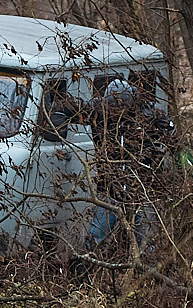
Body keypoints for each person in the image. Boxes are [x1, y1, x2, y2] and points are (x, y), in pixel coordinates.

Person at [58, 78, 174, 251]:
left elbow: (174, 136)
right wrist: (56, 110)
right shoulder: (99, 113)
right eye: (109, 107)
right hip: (109, 189)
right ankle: (88, 270)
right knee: (96, 236)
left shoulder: (147, 119)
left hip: (140, 192)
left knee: (145, 240)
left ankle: (145, 273)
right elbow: (71, 109)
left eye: (116, 108)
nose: (112, 111)